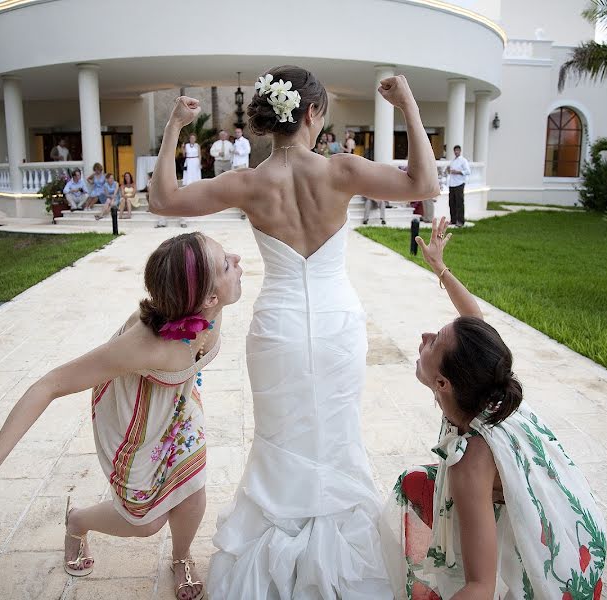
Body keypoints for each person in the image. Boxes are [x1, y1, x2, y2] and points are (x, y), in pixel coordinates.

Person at [149, 65, 439, 599]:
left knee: (279, 443)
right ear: (310, 114)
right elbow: (425, 184)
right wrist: (408, 107)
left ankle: (269, 565)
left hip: (277, 330)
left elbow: (162, 200)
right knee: (337, 439)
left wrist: (174, 128)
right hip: (336, 327)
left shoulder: (249, 182)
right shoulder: (341, 171)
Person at [0, 232, 243, 600]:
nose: (236, 259)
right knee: (146, 522)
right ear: (207, 297)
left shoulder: (212, 308)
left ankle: (181, 557)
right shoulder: (143, 346)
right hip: (134, 422)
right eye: (225, 263)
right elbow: (50, 384)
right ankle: (77, 520)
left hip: (177, 407)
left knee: (191, 493)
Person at [380, 217, 607, 600]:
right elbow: (474, 321)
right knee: (414, 481)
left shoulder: (470, 461)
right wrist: (440, 268)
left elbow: (480, 587)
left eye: (434, 342)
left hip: (554, 575)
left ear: (442, 384)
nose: (425, 335)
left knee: (416, 487)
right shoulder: (486, 383)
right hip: (578, 532)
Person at [447, 144, 471, 226]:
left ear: (460, 151)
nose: (456, 152)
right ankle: (453, 220)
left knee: (459, 203)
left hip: (459, 183)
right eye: (455, 150)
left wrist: (458, 172)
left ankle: (460, 221)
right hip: (452, 184)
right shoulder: (453, 161)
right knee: (451, 202)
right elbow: (450, 171)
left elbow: (468, 171)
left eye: (458, 150)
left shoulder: (463, 161)